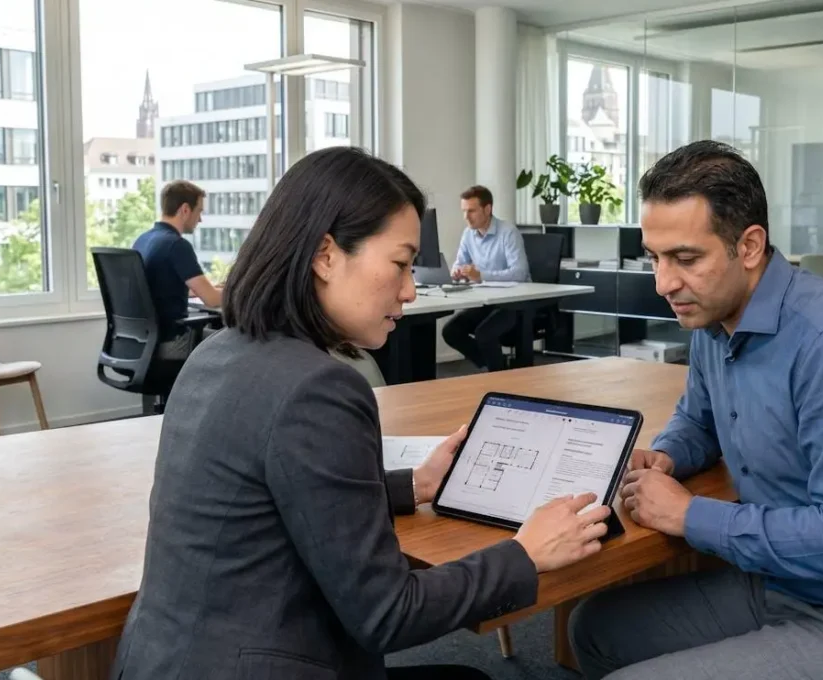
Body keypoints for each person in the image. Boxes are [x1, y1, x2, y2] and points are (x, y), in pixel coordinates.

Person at [110, 147, 611, 680]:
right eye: (399, 263)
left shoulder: (216, 351)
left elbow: (274, 496)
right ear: (326, 255)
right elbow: (388, 614)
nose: (410, 289)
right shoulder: (318, 388)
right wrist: (525, 552)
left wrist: (410, 486)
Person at [567, 140, 823, 680]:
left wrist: (689, 515)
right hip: (789, 588)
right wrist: (666, 457)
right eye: (655, 258)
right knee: (593, 628)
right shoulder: (714, 321)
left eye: (686, 258)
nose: (665, 283)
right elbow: (699, 419)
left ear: (750, 246)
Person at [441, 185, 530, 372]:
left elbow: (520, 273)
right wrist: (457, 272)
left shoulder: (508, 232)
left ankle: (496, 373)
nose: (466, 217)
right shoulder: (468, 234)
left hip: (514, 302)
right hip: (487, 301)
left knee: (484, 333)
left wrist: (481, 276)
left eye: (471, 211)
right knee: (450, 332)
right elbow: (459, 263)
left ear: (487, 209)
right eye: (464, 211)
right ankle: (493, 366)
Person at [131, 179, 221, 359]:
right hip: (171, 343)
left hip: (139, 343)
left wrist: (203, 290)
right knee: (229, 343)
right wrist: (243, 290)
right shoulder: (177, 245)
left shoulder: (143, 240)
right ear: (185, 210)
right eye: (199, 211)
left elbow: (157, 289)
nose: (200, 219)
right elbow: (211, 299)